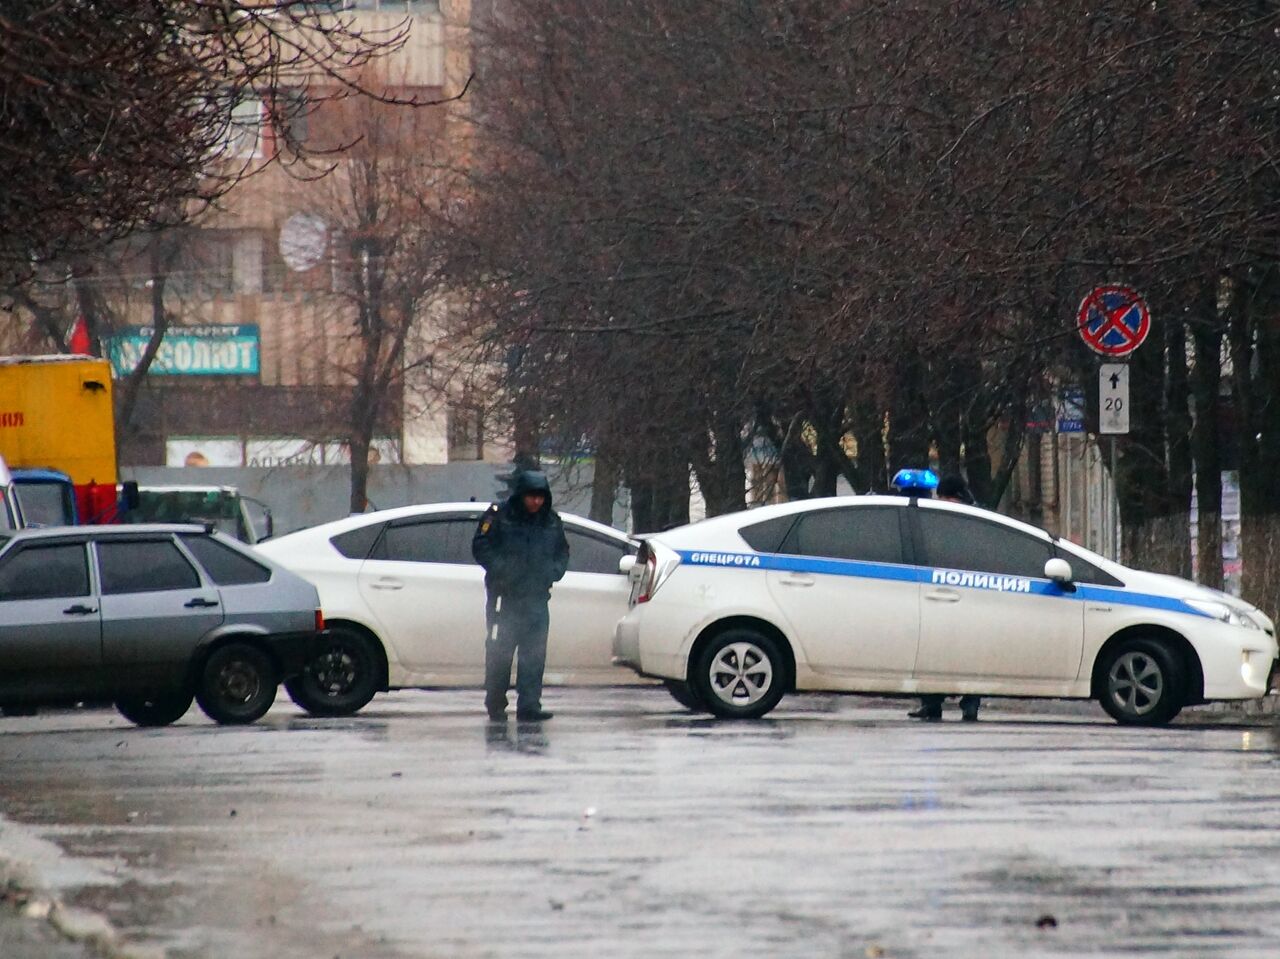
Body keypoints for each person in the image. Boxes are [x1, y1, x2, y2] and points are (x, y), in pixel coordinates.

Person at [472, 470, 569, 722]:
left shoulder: (551, 521)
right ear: (521, 495)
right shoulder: (500, 515)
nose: (536, 502)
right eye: (531, 497)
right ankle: (495, 703)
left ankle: (529, 706)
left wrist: (553, 572)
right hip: (505, 598)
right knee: (499, 652)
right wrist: (503, 569)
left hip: (536, 598)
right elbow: (481, 546)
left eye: (540, 497)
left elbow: (562, 552)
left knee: (534, 655)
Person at [908, 472, 982, 722]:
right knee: (948, 649)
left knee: (951, 650)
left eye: (945, 497)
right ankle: (944, 702)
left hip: (953, 594)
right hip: (959, 595)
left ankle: (946, 703)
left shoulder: (952, 519)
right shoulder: (974, 518)